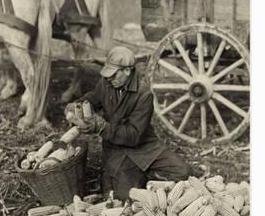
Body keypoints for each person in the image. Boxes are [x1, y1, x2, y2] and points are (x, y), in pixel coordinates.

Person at [66, 46, 191, 201]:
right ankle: (136, 179)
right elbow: (93, 98)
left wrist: (102, 127)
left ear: (127, 71)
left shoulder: (143, 94)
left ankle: (145, 177)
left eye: (114, 74)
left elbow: (134, 135)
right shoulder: (106, 83)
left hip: (144, 146)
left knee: (182, 171)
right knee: (124, 198)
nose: (110, 79)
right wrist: (78, 105)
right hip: (116, 149)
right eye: (108, 75)